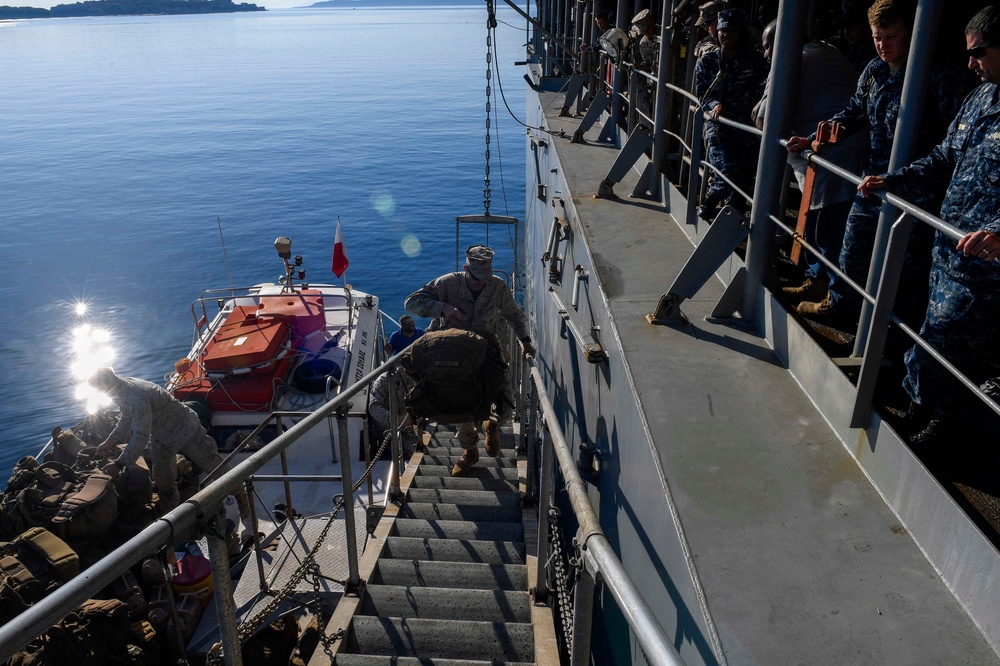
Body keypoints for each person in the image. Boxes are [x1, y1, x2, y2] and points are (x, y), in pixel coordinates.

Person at [856, 5, 1000, 444]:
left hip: (986, 266)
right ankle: (923, 414)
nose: (970, 63)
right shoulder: (981, 97)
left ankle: (949, 435)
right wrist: (896, 180)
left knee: (954, 347)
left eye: (979, 53)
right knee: (933, 339)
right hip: (950, 250)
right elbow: (943, 158)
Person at [788, 0, 972, 325]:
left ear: (911, 35)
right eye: (877, 37)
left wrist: (906, 177)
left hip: (918, 193)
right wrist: (828, 132)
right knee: (853, 257)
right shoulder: (874, 71)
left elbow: (954, 143)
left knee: (903, 273)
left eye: (891, 37)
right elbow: (856, 110)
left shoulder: (939, 75)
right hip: (872, 183)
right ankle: (844, 310)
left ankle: (890, 341)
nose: (883, 45)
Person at [754, 20, 870, 305]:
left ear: (785, 43)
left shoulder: (791, 61)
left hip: (830, 154)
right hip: (849, 149)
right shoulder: (827, 51)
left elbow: (763, 117)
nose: (766, 55)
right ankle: (819, 282)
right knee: (830, 224)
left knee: (825, 228)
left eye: (769, 47)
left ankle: (834, 297)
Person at [404, 245, 535, 476]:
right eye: (477, 279)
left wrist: (525, 341)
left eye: (485, 279)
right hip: (454, 354)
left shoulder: (497, 286)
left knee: (506, 399)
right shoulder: (447, 283)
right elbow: (412, 303)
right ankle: (470, 451)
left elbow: (514, 314)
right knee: (460, 404)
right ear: (466, 269)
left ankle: (491, 424)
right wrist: (441, 307)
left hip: (487, 350)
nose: (481, 283)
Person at [90, 367, 249, 516]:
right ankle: (176, 513)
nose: (101, 393)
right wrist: (109, 442)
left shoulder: (135, 395)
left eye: (100, 389)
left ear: (108, 383)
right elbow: (126, 418)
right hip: (161, 435)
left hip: (184, 428)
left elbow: (141, 436)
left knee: (214, 465)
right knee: (162, 479)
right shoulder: (120, 389)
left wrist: (119, 465)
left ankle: (241, 496)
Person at [694, 8, 769, 220]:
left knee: (744, 180)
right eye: (722, 30)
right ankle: (708, 205)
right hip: (719, 128)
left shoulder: (755, 61)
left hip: (746, 129)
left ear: (741, 33)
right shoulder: (708, 62)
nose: (726, 35)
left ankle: (731, 222)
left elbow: (768, 87)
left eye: (732, 30)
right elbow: (702, 95)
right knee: (727, 172)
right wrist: (716, 104)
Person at [368, 370, 418, 459]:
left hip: (405, 423)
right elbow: (374, 408)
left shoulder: (409, 379)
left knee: (417, 445)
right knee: (411, 449)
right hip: (386, 426)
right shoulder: (382, 381)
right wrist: (397, 419)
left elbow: (417, 398)